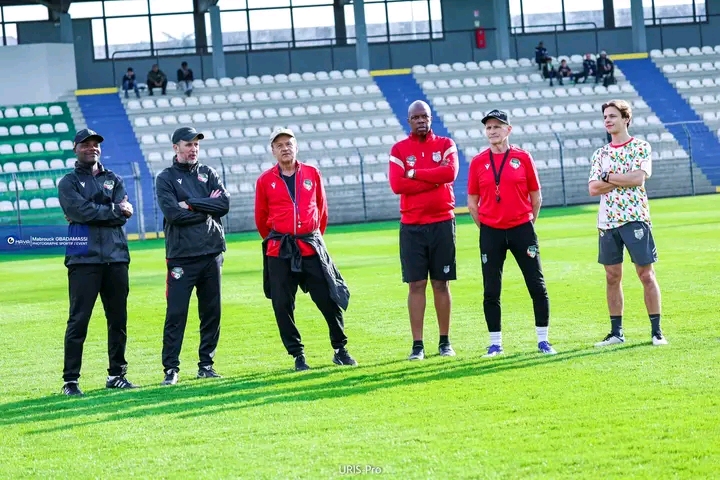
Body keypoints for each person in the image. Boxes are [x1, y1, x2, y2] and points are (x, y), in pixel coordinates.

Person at [255, 127, 357, 371]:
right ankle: (297, 354)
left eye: (289, 143)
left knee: (328, 298)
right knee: (282, 303)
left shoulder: (312, 173)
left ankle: (340, 349)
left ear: (296, 146)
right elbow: (261, 218)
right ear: (273, 151)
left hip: (310, 246)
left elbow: (321, 210)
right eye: (279, 145)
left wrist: (311, 235)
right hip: (280, 250)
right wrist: (279, 238)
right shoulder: (265, 180)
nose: (285, 148)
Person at [466, 109, 556, 357]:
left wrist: (527, 224)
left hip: (521, 229)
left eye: (497, 126)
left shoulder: (523, 158)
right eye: (488, 127)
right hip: (491, 232)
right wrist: (486, 228)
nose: (492, 131)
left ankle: (543, 341)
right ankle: (495, 343)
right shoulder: (478, 162)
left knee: (536, 284)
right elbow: (472, 202)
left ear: (508, 129)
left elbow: (536, 197)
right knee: (491, 289)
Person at [56, 128, 137, 396]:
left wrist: (103, 212)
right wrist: (113, 210)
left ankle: (117, 375)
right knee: (79, 320)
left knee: (118, 320)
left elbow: (121, 215)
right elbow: (78, 210)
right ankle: (70, 381)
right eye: (86, 144)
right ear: (76, 148)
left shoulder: (114, 179)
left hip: (116, 258)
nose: (92, 148)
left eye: (96, 144)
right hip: (83, 260)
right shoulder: (68, 182)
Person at [588, 99, 667, 347]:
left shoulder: (640, 147)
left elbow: (638, 179)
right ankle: (616, 333)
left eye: (613, 116)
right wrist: (623, 179)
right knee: (612, 276)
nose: (608, 120)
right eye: (605, 117)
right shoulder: (600, 154)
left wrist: (609, 177)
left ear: (626, 119)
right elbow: (593, 188)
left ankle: (656, 331)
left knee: (646, 274)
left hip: (635, 217)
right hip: (607, 222)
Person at [155, 127, 230, 385]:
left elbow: (224, 205)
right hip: (182, 257)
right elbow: (173, 215)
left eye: (196, 145)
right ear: (176, 147)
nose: (193, 149)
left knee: (211, 312)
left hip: (211, 252)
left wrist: (191, 203)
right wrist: (206, 207)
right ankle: (171, 369)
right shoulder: (165, 178)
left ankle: (206, 364)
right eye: (188, 144)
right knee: (176, 313)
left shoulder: (208, 173)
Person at [388, 100, 459, 361]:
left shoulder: (445, 144)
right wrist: (433, 179)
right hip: (412, 226)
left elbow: (450, 173)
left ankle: (444, 341)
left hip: (442, 222)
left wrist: (415, 173)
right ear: (409, 121)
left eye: (425, 116)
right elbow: (397, 184)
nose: (421, 120)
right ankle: (417, 345)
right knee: (416, 284)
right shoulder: (399, 149)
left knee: (441, 283)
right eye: (416, 117)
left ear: (431, 118)